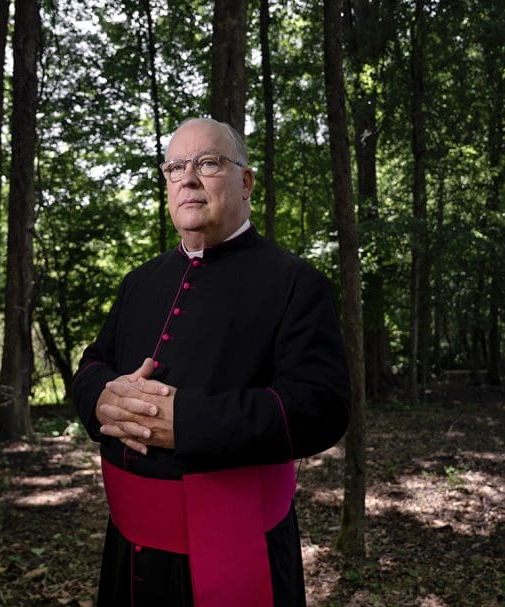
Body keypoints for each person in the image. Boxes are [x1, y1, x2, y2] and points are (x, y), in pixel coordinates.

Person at [72, 117, 350, 607]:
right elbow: (94, 364)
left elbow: (320, 407)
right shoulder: (140, 282)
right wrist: (102, 400)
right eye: (176, 167)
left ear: (245, 182)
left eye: (207, 164)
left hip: (238, 546)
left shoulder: (294, 283)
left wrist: (187, 423)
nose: (188, 179)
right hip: (129, 552)